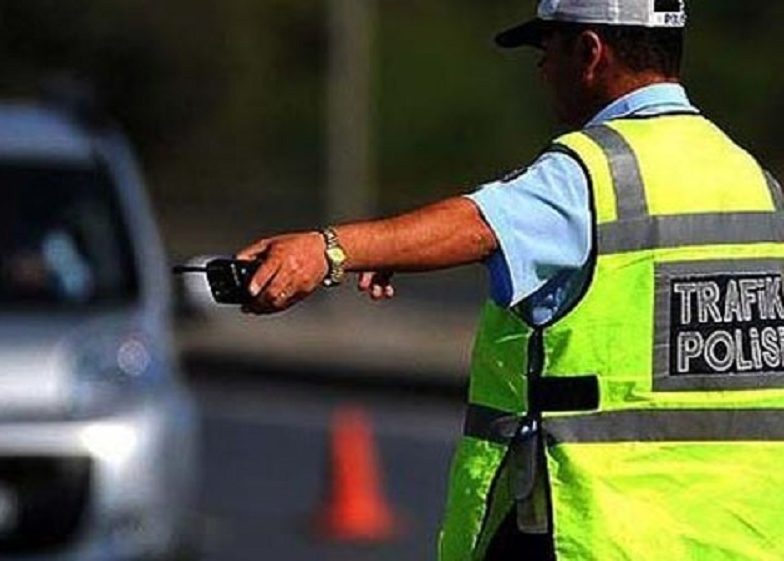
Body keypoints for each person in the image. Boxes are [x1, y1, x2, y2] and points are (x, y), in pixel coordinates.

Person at [236, 0, 784, 559]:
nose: (543, 72)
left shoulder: (594, 172)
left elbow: (477, 223)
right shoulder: (753, 182)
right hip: (740, 537)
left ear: (590, 51)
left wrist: (328, 250)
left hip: (606, 536)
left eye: (546, 52)